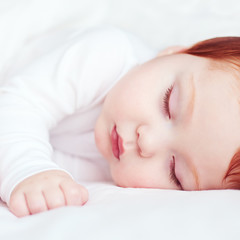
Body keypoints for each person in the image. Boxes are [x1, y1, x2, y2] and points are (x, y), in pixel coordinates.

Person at [1, 26, 240, 217]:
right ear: (175, 52)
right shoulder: (107, 54)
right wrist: (27, 170)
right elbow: (16, 104)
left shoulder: (117, 176)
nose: (146, 141)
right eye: (169, 103)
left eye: (175, 172)